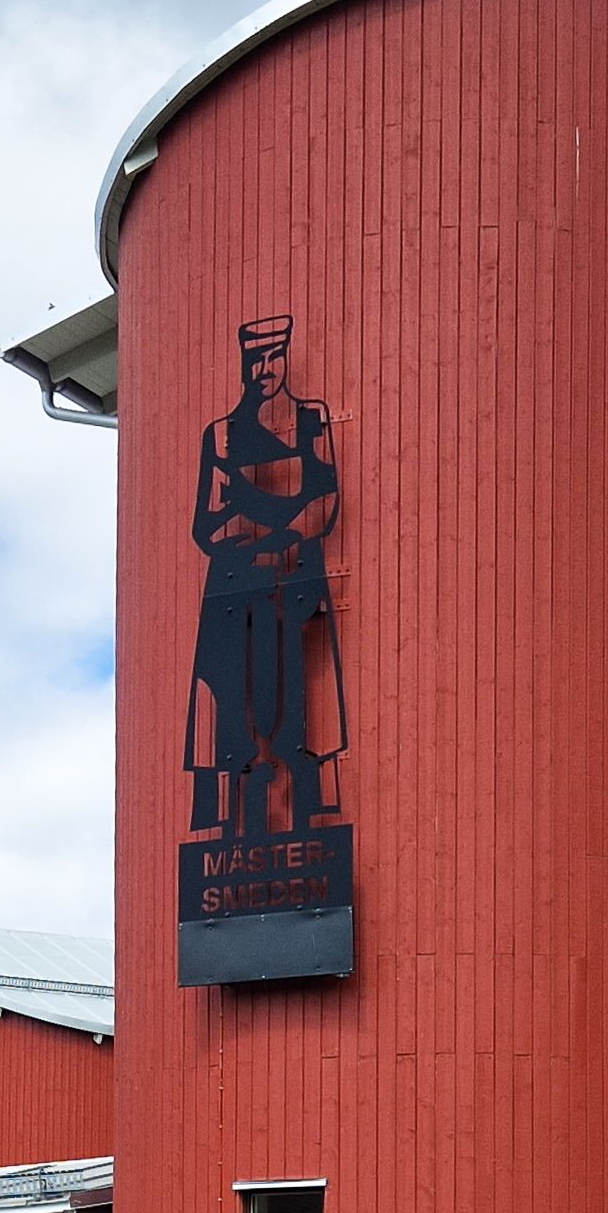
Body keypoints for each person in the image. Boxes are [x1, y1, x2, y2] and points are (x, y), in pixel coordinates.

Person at [186, 314, 345, 842]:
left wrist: (255, 510)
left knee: (296, 713)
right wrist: (283, 519)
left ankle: (306, 811)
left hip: (294, 594)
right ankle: (235, 821)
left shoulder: (310, 421)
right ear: (243, 364)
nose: (265, 370)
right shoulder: (221, 435)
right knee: (230, 715)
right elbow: (208, 526)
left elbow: (323, 507)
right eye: (256, 359)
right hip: (234, 597)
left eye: (275, 357)